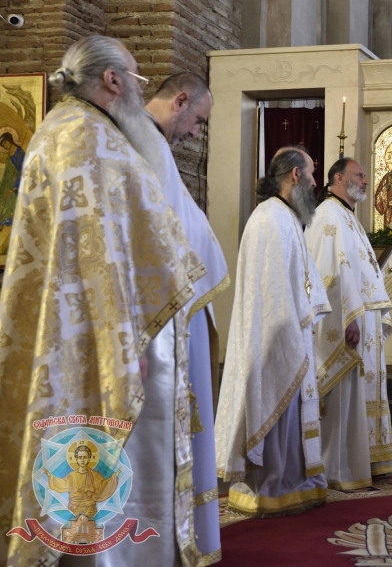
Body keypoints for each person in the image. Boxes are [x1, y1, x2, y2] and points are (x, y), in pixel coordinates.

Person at [0, 35, 206, 566]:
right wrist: (122, 343)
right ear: (112, 81)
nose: (140, 89)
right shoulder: (90, 139)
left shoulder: (61, 131)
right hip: (113, 338)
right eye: (135, 78)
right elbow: (100, 254)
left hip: (89, 327)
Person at [136, 72, 227, 562]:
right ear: (181, 101)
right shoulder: (146, 144)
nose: (196, 133)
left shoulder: (151, 145)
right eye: (198, 121)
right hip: (157, 321)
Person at [215, 147, 331, 518]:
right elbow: (274, 291)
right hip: (276, 334)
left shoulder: (280, 216)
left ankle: (288, 481)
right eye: (312, 174)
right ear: (294, 175)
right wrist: (291, 330)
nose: (316, 183)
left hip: (285, 329)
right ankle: (276, 484)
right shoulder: (272, 219)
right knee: (278, 406)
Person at [305, 158, 392, 491]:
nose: (367, 180)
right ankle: (337, 467)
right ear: (338, 178)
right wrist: (348, 317)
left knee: (359, 393)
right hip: (349, 320)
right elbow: (331, 271)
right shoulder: (329, 214)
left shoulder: (345, 214)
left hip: (361, 317)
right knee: (342, 395)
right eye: (360, 175)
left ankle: (363, 459)